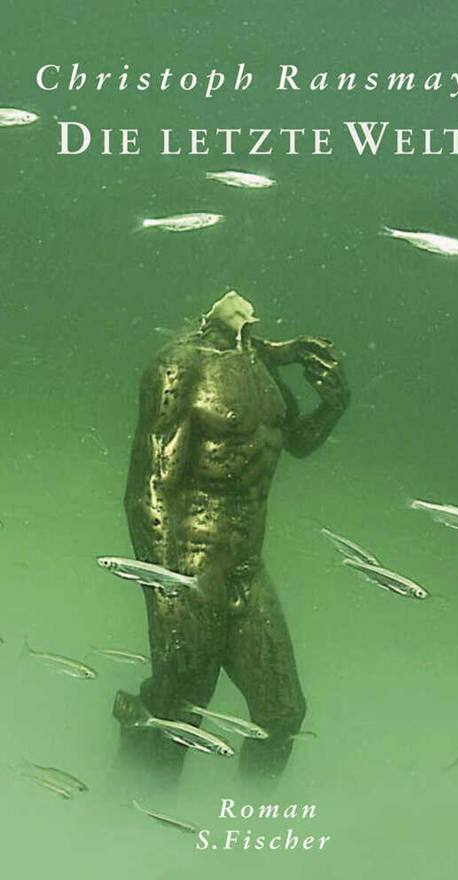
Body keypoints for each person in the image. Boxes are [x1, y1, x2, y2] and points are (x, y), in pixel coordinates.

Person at [114, 290, 349, 778]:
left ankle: (250, 822)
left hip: (247, 567)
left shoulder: (259, 366)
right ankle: (129, 808)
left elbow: (297, 442)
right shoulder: (178, 366)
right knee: (180, 709)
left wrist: (333, 405)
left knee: (283, 713)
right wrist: (165, 587)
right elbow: (148, 488)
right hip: (189, 563)